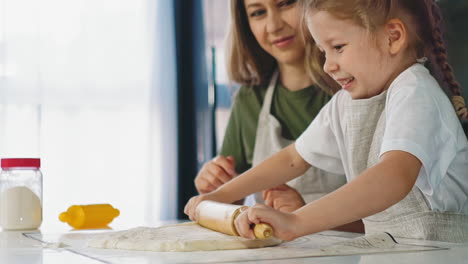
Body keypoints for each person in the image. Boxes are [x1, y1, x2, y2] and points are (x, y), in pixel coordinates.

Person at [185, 0, 468, 243]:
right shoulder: (346, 104)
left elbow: (393, 177)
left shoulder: (416, 92)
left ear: (392, 36)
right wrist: (221, 195)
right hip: (394, 249)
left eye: (338, 47)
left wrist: (296, 222)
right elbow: (294, 158)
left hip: (444, 250)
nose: (328, 65)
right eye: (323, 52)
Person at [194, 0, 366, 232]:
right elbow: (232, 202)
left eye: (285, 3)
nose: (274, 25)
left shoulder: (357, 91)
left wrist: (303, 214)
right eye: (258, 13)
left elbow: (389, 214)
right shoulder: (250, 100)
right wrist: (215, 188)